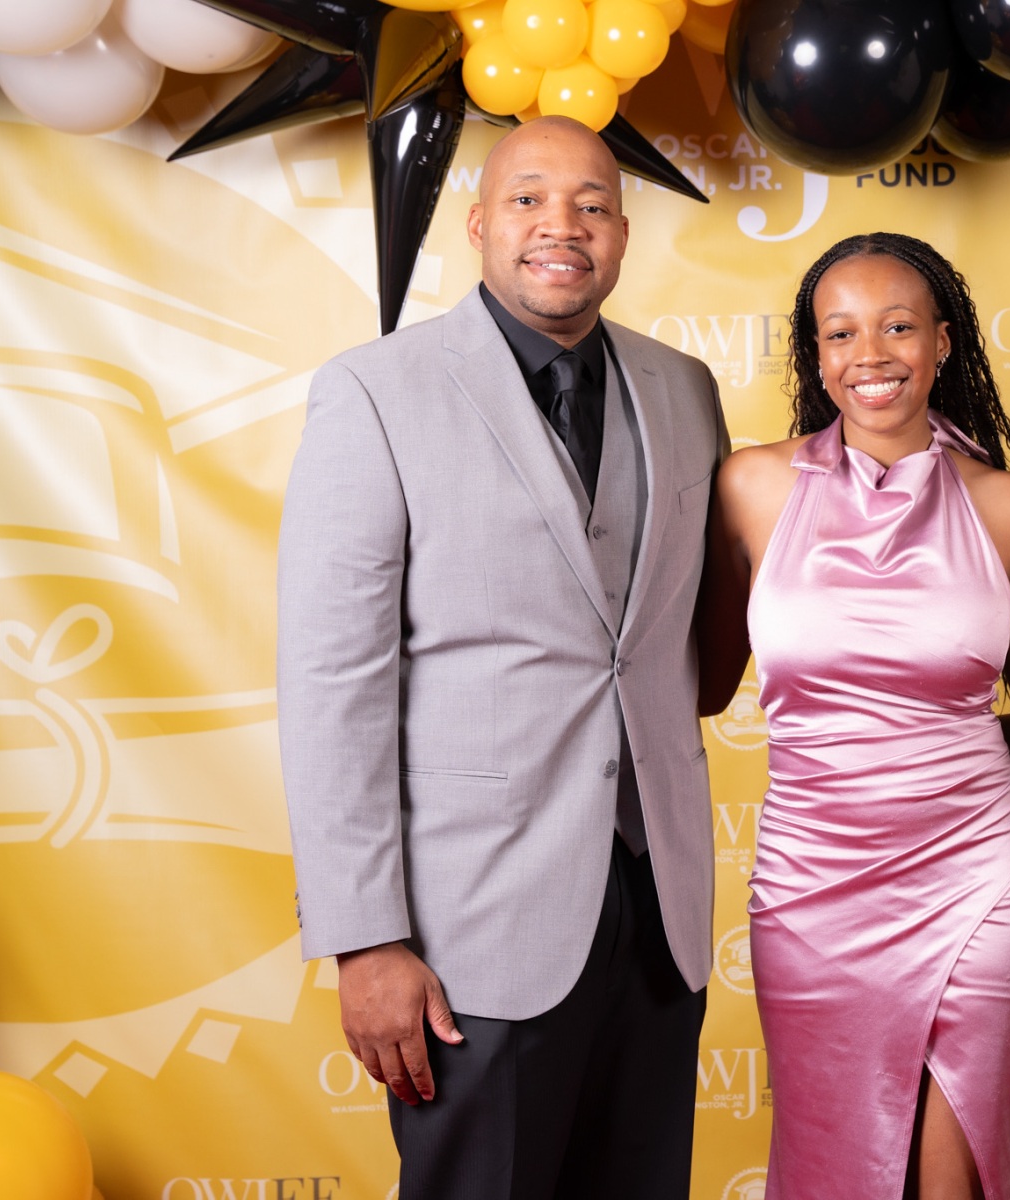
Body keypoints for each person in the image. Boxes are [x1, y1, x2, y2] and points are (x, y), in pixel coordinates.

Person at [277, 117, 726, 1200]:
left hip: (657, 915)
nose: (561, 225)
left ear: (623, 233)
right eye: (528, 199)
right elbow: (333, 684)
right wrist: (364, 939)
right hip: (470, 933)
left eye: (592, 204)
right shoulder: (375, 391)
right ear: (479, 225)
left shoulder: (685, 388)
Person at [696, 232, 1010, 1200]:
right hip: (811, 885)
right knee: (836, 1165)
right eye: (841, 333)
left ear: (943, 342)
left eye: (898, 327)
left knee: (954, 1175)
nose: (869, 354)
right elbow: (697, 686)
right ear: (816, 354)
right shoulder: (749, 488)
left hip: (975, 875)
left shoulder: (1009, 508)